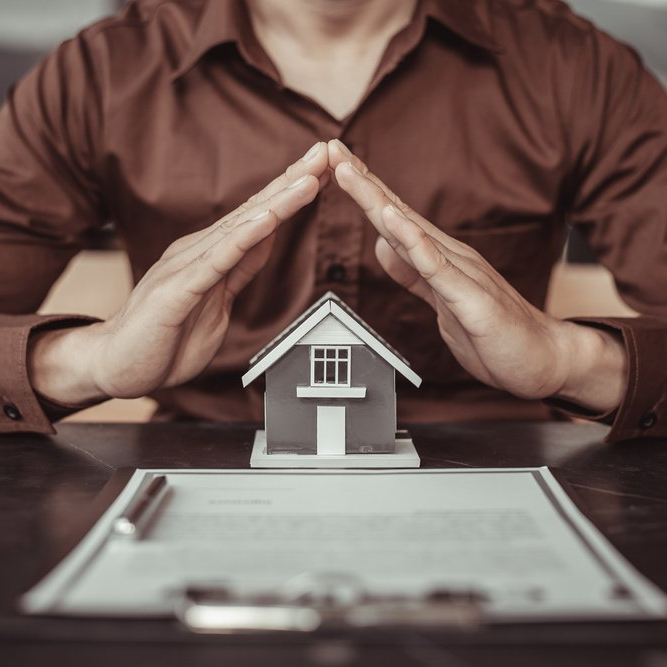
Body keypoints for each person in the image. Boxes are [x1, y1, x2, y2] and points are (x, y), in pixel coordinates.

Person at [0, 0, 666, 440]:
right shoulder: (98, 74)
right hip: (198, 463)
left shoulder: (576, 68)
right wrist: (89, 361)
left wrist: (566, 357)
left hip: (504, 468)